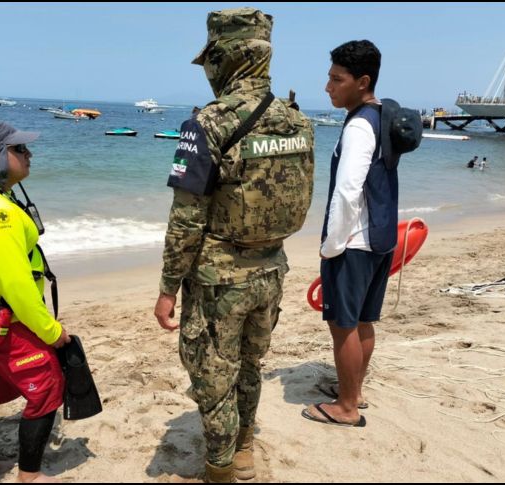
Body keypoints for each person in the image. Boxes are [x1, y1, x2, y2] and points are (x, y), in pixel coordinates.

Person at [154, 8, 314, 482]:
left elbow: (186, 219)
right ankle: (244, 447)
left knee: (212, 375)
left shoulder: (207, 123)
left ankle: (221, 469)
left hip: (219, 280)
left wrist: (167, 288)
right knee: (250, 364)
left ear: (224, 58)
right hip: (272, 269)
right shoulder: (297, 120)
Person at [0, 121, 70, 483]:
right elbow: (16, 285)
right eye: (19, 149)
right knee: (48, 385)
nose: (28, 154)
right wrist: (51, 332)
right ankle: (30, 477)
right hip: (5, 321)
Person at [302, 40, 396, 428]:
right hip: (380, 237)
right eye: (329, 77)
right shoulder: (382, 116)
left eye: (337, 79)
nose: (328, 87)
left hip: (353, 241)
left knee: (343, 325)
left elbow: (347, 190)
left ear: (363, 82)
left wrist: (331, 245)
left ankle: (346, 408)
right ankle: (354, 391)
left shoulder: (358, 126)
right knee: (363, 320)